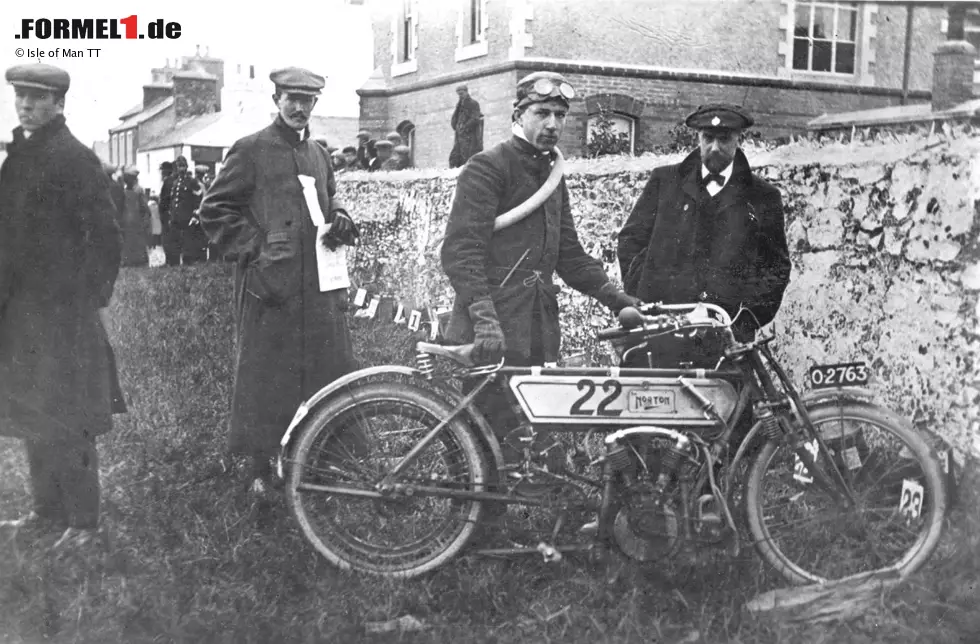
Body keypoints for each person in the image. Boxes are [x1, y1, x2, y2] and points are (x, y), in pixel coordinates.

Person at [440, 71, 639, 453]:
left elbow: (570, 256)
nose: (553, 124)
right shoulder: (488, 166)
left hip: (536, 326)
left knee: (521, 433)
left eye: (560, 116)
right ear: (519, 114)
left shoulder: (552, 173)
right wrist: (484, 321)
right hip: (492, 325)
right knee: (477, 436)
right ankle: (471, 510)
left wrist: (620, 301)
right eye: (542, 113)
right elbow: (460, 252)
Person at [198, 66, 360, 495]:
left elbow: (330, 193)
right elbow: (214, 209)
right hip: (270, 288)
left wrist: (340, 215)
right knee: (268, 374)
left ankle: (318, 458)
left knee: (323, 369)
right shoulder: (250, 150)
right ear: (276, 100)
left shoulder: (319, 154)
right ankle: (259, 467)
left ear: (314, 105)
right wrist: (256, 246)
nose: (298, 107)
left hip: (319, 288)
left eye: (307, 101)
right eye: (291, 99)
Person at [0, 63, 126, 547]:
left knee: (70, 415)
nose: (26, 105)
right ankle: (46, 511)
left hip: (63, 315)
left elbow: (107, 237)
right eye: (20, 97)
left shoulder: (74, 159)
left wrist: (85, 298)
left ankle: (84, 523)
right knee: (34, 408)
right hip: (22, 312)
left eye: (36, 98)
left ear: (59, 103)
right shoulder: (20, 156)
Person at [616, 104, 791, 368]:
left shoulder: (762, 196)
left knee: (728, 405)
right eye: (708, 139)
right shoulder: (665, 182)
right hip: (660, 332)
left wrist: (745, 319)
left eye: (724, 139)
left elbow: (775, 267)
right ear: (698, 138)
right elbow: (630, 242)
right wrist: (646, 300)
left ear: (738, 140)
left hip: (728, 338)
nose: (715, 148)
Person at [167, 156, 207, 265]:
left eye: (183, 166)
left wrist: (195, 216)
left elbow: (198, 200)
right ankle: (174, 265)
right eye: (179, 166)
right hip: (176, 218)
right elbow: (173, 200)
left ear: (187, 167)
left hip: (187, 218)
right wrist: (171, 216)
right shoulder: (175, 183)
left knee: (188, 244)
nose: (181, 169)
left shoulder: (192, 182)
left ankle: (187, 265)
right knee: (175, 243)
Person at [118, 166, 151, 267]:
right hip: (134, 222)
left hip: (130, 222)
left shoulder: (135, 191)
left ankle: (132, 261)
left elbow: (144, 208)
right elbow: (145, 208)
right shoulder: (134, 191)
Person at [449, 84, 483, 168]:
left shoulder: (473, 103)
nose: (460, 96)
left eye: (461, 93)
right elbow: (455, 119)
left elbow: (475, 118)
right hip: (459, 136)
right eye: (458, 94)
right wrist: (456, 126)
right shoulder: (459, 105)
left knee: (467, 156)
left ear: (466, 92)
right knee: (455, 157)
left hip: (470, 137)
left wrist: (464, 128)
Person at [158, 161, 180, 266]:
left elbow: (164, 201)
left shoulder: (168, 182)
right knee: (172, 239)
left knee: (168, 240)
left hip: (167, 215)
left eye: (162, 170)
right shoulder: (172, 181)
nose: (161, 173)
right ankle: (172, 261)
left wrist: (162, 213)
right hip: (171, 214)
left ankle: (170, 261)